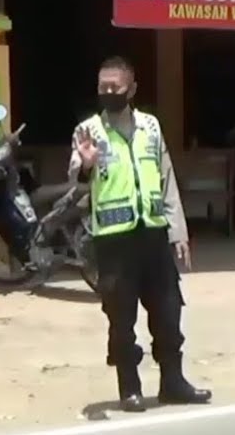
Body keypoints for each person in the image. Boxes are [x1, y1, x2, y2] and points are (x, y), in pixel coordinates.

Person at [69, 56, 212, 412]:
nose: (108, 93)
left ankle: (173, 383)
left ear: (132, 89)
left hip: (152, 235)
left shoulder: (151, 127)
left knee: (168, 310)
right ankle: (129, 387)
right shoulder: (89, 131)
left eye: (115, 87)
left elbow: (166, 181)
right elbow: (76, 175)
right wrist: (84, 164)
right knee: (121, 318)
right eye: (103, 88)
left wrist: (178, 231)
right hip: (114, 240)